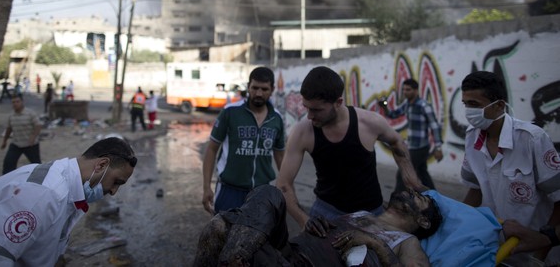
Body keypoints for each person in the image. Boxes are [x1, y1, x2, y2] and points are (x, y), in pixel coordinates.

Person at [276, 66, 423, 229]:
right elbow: (283, 185)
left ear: (338, 103)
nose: (309, 116)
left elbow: (397, 142)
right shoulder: (302, 132)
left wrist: (411, 180)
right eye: (307, 108)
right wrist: (305, 220)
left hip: (372, 215)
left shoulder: (370, 122)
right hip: (326, 214)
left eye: (316, 110)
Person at [0, 137, 137, 266]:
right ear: (102, 165)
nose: (114, 191)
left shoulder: (71, 187)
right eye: (117, 182)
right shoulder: (43, 194)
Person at [193, 185, 442, 267]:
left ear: (423, 220)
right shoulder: (362, 214)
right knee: (269, 192)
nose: (410, 192)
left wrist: (374, 243)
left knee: (220, 227)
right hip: (287, 251)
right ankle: (235, 258)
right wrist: (314, 223)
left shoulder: (407, 243)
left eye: (419, 198)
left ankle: (233, 257)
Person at [460, 71, 560, 261]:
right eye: (465, 104)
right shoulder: (472, 136)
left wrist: (540, 251)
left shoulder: (532, 139)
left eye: (474, 105)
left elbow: (559, 200)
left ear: (499, 106)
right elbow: (475, 191)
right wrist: (456, 223)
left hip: (534, 252)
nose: (468, 112)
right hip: (493, 249)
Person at [202, 66, 286, 214]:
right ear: (248, 87)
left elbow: (280, 155)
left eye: (264, 89)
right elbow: (212, 148)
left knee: (258, 236)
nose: (259, 93)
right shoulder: (230, 112)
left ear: (272, 89)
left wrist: (286, 187)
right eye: (255, 88)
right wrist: (206, 186)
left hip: (261, 192)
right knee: (224, 234)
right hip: (229, 190)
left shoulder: (276, 119)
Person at [379, 78, 444, 192]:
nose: (405, 92)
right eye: (404, 89)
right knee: (422, 172)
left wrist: (438, 147)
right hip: (413, 146)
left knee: (403, 173)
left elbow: (434, 126)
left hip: (420, 147)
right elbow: (394, 115)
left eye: (408, 90)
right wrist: (384, 107)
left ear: (416, 90)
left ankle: (398, 203)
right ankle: (434, 197)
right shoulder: (407, 104)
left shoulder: (424, 105)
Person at [1, 95, 43, 174]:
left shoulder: (30, 113)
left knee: (36, 166)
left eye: (17, 102)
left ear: (22, 102)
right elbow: (9, 129)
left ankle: (40, 183)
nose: (15, 104)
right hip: (16, 143)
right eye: (13, 102)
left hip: (31, 144)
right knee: (8, 164)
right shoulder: (11, 115)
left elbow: (38, 125)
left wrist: (33, 136)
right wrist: (4, 141)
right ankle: (7, 181)